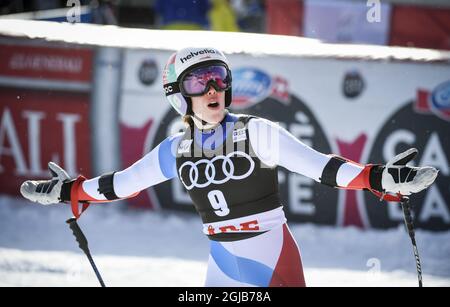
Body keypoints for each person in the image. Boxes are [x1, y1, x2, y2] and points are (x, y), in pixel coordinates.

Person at [20, 47, 438, 287]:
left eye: (219, 77)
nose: (214, 88)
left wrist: (380, 178)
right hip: (222, 263)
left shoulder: (258, 132)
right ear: (176, 95)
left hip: (272, 257)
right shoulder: (174, 149)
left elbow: (324, 168)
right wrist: (68, 191)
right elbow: (121, 185)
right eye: (200, 82)